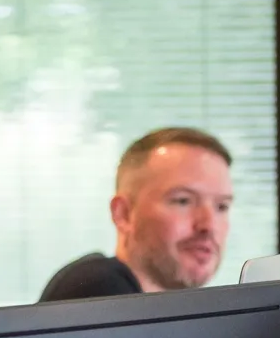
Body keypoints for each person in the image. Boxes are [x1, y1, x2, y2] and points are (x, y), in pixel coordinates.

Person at [40, 127, 234, 301]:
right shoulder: (97, 290)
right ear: (123, 214)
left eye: (222, 207)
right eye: (183, 201)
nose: (208, 225)